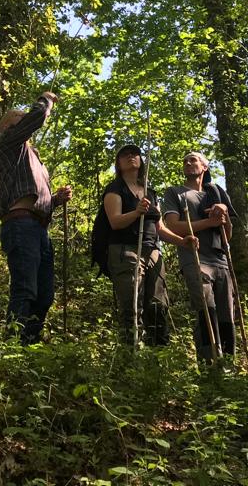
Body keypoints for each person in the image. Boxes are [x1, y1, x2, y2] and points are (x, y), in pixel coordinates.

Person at [0, 91, 72, 345]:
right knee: (25, 289)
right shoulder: (9, 144)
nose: (24, 119)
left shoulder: (35, 159)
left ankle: (29, 347)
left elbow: (41, 201)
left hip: (39, 229)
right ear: (7, 126)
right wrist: (45, 99)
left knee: (44, 295)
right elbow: (36, 116)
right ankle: (12, 348)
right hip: (20, 225)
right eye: (19, 118)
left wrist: (57, 199)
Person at [100, 144, 196, 346]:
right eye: (124, 155)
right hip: (125, 251)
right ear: (118, 164)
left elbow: (159, 227)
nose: (130, 157)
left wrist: (182, 241)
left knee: (158, 305)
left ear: (141, 161)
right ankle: (131, 354)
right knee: (132, 305)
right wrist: (136, 212)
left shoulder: (150, 193)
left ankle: (159, 356)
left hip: (153, 252)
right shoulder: (115, 189)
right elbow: (115, 222)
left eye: (135, 154)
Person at [163, 152, 238, 362]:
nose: (188, 163)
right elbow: (173, 226)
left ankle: (228, 363)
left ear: (204, 166)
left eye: (193, 160)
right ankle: (208, 363)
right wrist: (208, 223)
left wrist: (224, 216)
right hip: (195, 259)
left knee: (226, 315)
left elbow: (227, 237)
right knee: (206, 310)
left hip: (220, 260)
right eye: (185, 160)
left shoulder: (216, 193)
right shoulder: (175, 193)